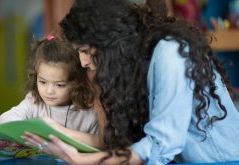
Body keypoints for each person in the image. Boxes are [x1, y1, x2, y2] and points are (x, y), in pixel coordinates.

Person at [22, 0, 239, 164]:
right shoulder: (136, 65)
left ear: (111, 43)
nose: (83, 61)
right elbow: (126, 144)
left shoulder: (169, 52)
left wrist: (81, 160)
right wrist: (61, 139)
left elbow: (159, 146)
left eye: (86, 50)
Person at [0, 34, 99, 136]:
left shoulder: (89, 115)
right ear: (35, 77)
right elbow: (5, 119)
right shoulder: (33, 102)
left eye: (59, 85)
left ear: (77, 83)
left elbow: (97, 148)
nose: (49, 91)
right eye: (42, 82)